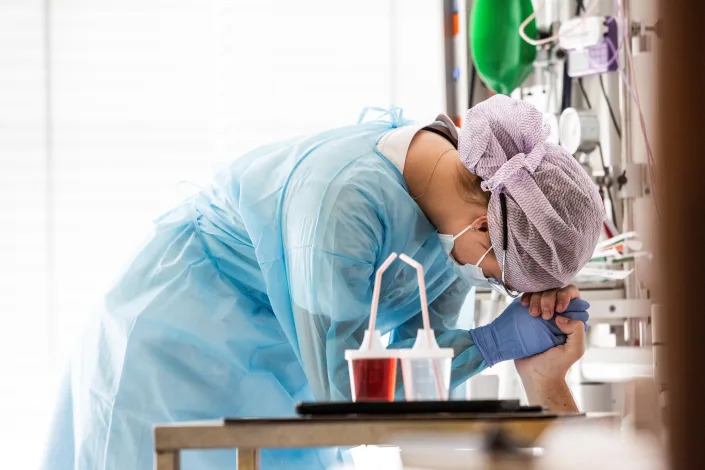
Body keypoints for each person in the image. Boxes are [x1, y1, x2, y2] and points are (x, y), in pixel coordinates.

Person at [42, 95, 604, 469]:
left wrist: (534, 368)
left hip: (289, 356)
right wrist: (491, 345)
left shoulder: (450, 217)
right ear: (485, 226)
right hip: (180, 343)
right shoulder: (342, 209)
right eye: (501, 280)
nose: (488, 283)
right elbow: (347, 402)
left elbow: (419, 371)